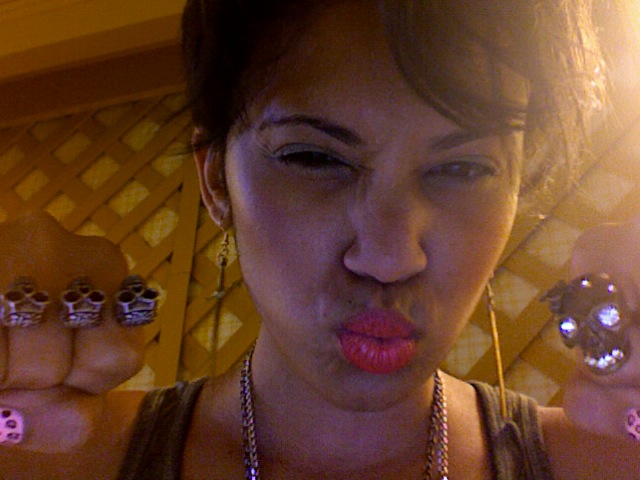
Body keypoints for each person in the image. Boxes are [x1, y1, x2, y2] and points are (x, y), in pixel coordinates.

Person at [0, 0, 638, 478]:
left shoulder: (608, 462)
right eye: (313, 158)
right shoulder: (54, 455)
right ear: (216, 181)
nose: (389, 259)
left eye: (464, 169)